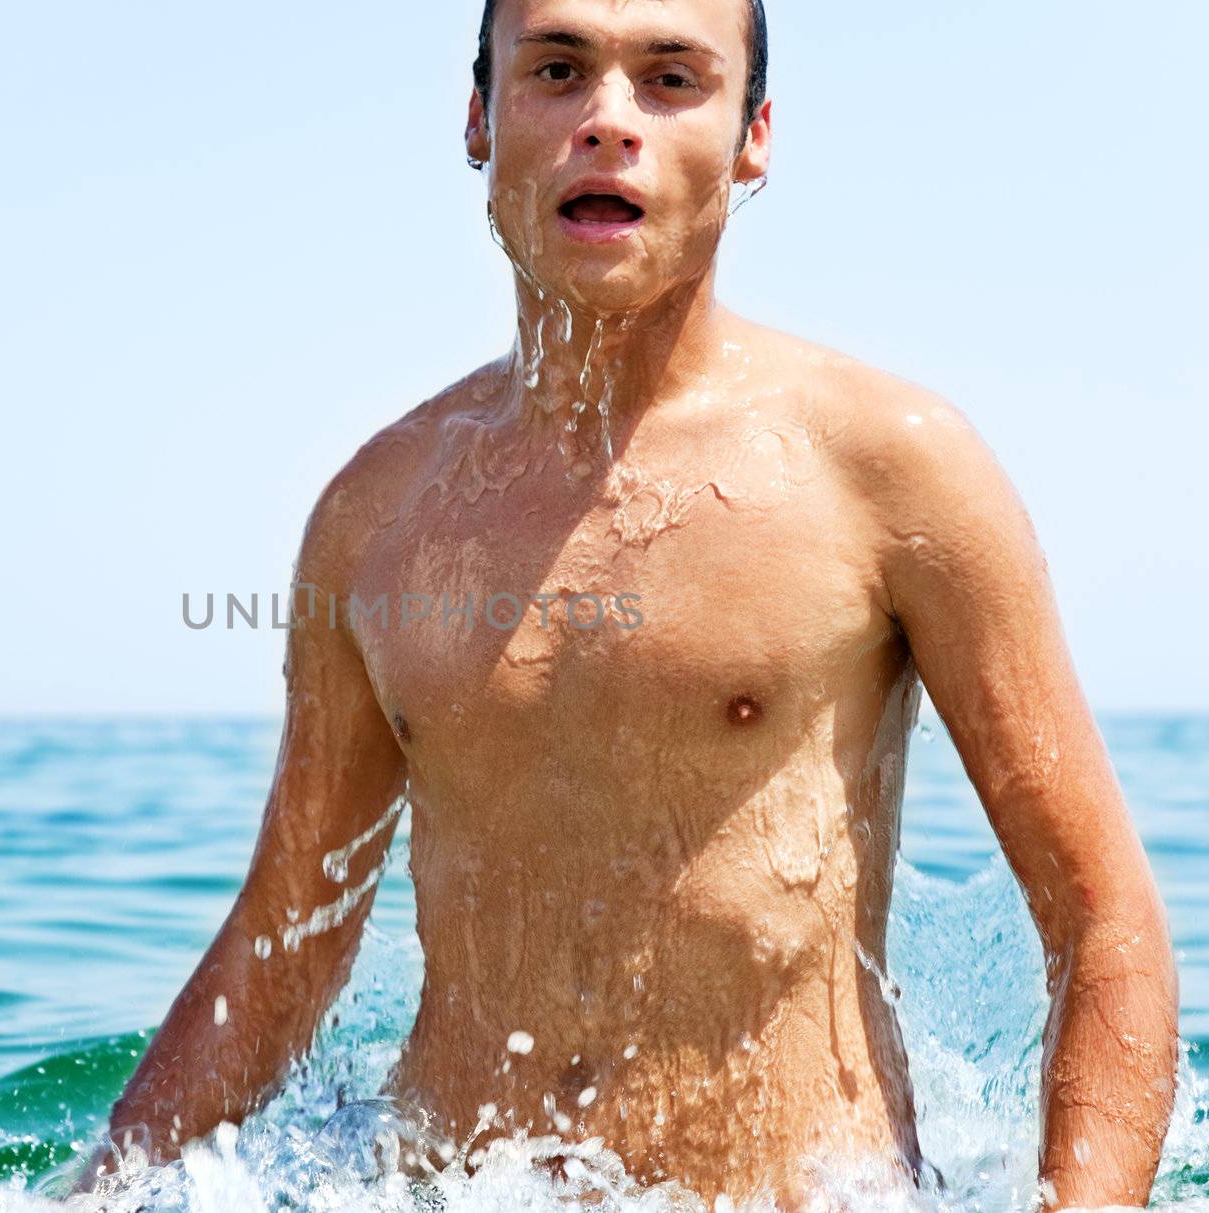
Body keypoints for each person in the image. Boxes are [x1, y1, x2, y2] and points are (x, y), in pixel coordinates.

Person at [70, 0, 1179, 1206]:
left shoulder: (887, 470)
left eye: (669, 80)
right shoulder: (376, 514)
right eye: (556, 71)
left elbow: (1099, 918)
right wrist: (87, 1196)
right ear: (480, 120)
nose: (608, 122)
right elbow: (281, 950)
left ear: (753, 135)